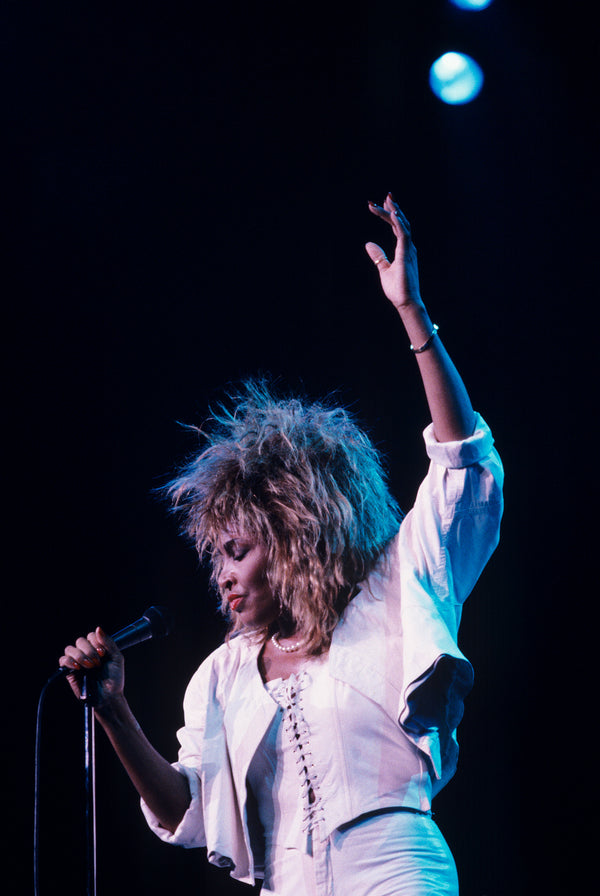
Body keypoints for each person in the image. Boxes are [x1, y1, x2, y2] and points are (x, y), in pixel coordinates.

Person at [59, 193, 504, 895]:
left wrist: (412, 315)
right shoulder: (223, 675)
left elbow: (462, 463)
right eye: (217, 560)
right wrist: (113, 710)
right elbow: (188, 812)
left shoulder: (390, 593)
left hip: (392, 868)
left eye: (237, 552)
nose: (223, 579)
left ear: (295, 535)